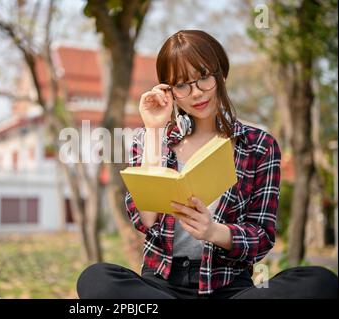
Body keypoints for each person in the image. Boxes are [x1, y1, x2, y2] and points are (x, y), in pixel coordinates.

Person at [76, 30, 338, 299]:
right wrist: (154, 129)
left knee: (319, 281)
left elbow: (262, 238)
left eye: (203, 78)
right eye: (182, 85)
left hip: (230, 287)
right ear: (170, 91)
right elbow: (145, 220)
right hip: (161, 285)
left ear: (220, 74)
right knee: (96, 279)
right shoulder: (148, 140)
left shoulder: (260, 145)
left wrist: (214, 231)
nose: (196, 93)